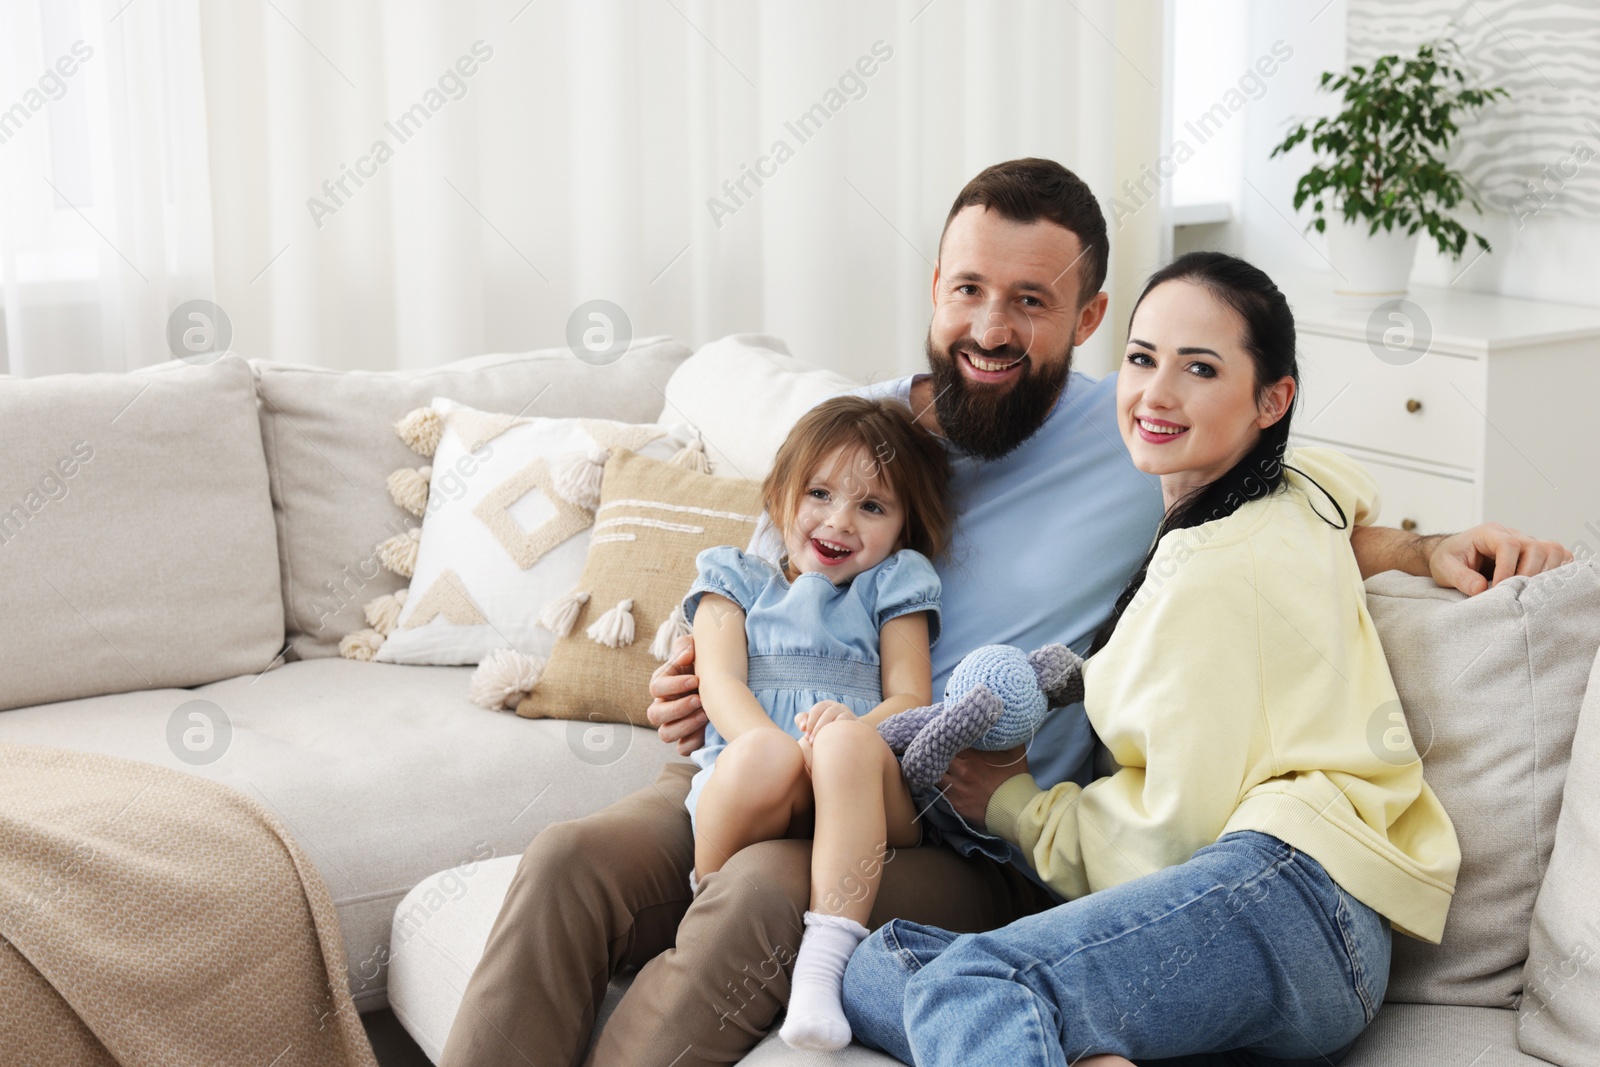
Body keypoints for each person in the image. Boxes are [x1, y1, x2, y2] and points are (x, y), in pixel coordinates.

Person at [440, 158, 1572, 1067]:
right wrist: (686, 673)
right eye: (966, 289)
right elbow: (747, 595)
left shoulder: (1139, 435)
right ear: (933, 288)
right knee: (565, 858)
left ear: (1083, 318)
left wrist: (1424, 545)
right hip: (771, 760)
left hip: (953, 831)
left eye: (1029, 302)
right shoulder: (862, 435)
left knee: (758, 895)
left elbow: (1273, 515)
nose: (989, 326)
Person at [842, 251, 1462, 1065]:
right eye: (1142, 359)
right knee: (874, 964)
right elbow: (1340, 495)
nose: (1156, 393)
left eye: (1199, 368)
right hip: (1289, 930)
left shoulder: (1209, 574)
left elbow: (1168, 839)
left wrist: (1015, 804)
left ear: (1273, 399)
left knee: (972, 984)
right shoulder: (1298, 491)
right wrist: (1427, 549)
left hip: (1292, 895)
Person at [681, 394, 950, 1050]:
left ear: (904, 526)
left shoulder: (894, 584)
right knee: (762, 757)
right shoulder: (734, 576)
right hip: (761, 774)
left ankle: (821, 969)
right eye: (821, 493)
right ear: (779, 497)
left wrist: (846, 729)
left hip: (858, 788)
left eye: (872, 506)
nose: (840, 520)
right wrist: (774, 744)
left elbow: (911, 695)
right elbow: (717, 680)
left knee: (846, 743)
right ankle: (708, 920)